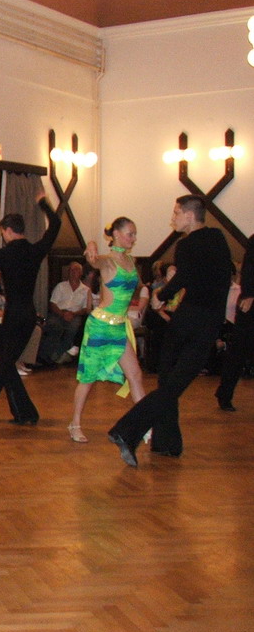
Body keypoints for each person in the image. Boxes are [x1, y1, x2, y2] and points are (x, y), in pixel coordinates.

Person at [108, 195, 233, 467]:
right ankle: (167, 443)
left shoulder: (186, 245)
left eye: (176, 213)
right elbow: (221, 276)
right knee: (171, 383)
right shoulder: (219, 239)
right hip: (207, 323)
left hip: (187, 321)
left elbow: (184, 276)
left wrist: (160, 296)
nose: (172, 218)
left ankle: (128, 430)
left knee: (169, 383)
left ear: (190, 215)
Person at [0, 191, 61, 425]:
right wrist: (43, 203)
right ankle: (22, 413)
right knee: (6, 363)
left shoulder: (2, 254)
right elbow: (56, 224)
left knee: (4, 362)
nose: (3, 235)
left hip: (13, 314)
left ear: (9, 230)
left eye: (3, 232)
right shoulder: (35, 250)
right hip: (29, 313)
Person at [67, 218, 145, 443]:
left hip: (119, 326)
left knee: (135, 375)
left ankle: (145, 425)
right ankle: (74, 424)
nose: (133, 238)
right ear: (116, 235)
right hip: (100, 327)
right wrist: (91, 245)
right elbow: (94, 260)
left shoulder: (131, 260)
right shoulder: (109, 261)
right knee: (88, 378)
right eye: (130, 234)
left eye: (134, 234)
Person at [215, 235, 254, 411]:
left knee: (239, 351)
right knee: (239, 351)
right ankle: (224, 393)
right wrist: (249, 294)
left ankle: (224, 393)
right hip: (250, 305)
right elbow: (249, 269)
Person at [37, 261, 91, 365]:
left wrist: (73, 314)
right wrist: (62, 314)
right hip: (59, 313)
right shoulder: (61, 286)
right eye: (71, 270)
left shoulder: (85, 290)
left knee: (72, 329)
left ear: (81, 273)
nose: (73, 272)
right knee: (54, 326)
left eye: (76, 270)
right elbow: (53, 303)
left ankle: (58, 355)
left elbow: (85, 308)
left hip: (75, 315)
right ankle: (44, 356)